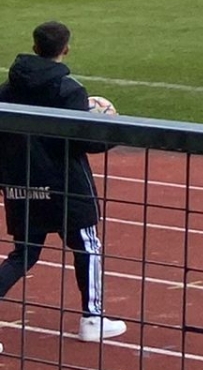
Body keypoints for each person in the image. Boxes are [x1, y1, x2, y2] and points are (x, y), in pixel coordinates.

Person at [0, 23, 125, 341]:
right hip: (65, 184)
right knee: (87, 246)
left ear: (35, 46)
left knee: (23, 254)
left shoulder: (7, 89)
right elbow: (82, 141)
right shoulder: (69, 90)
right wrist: (111, 131)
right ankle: (92, 319)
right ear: (65, 49)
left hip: (21, 183)